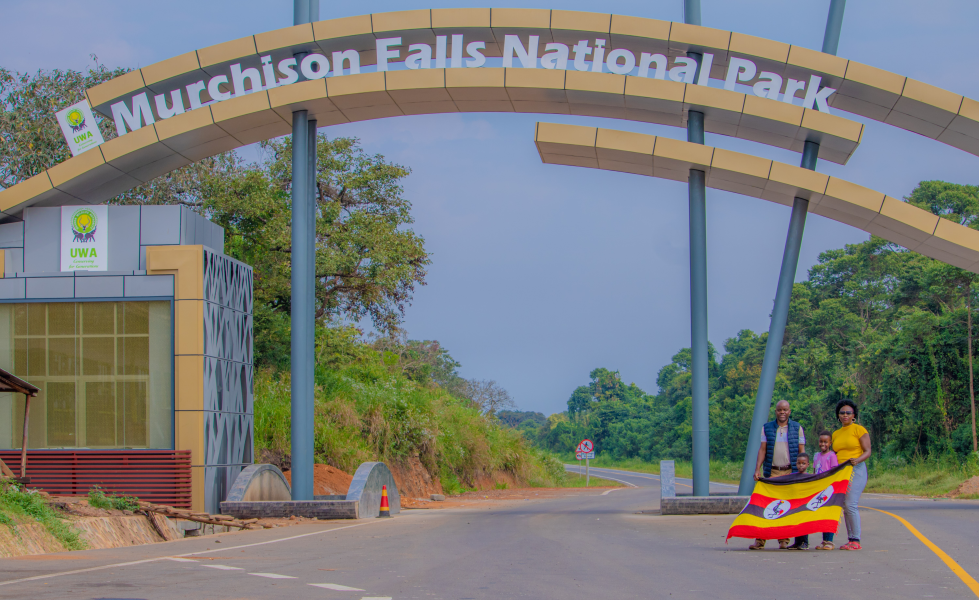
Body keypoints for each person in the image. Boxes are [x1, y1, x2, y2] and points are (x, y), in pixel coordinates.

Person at [748, 400, 806, 551]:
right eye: (779, 410)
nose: (782, 412)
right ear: (775, 411)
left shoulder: (797, 428)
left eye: (785, 410)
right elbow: (762, 449)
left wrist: (802, 471)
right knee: (766, 505)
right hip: (772, 472)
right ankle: (760, 541)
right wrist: (757, 469)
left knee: (785, 506)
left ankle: (784, 540)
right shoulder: (767, 428)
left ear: (789, 411)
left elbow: (801, 450)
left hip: (790, 472)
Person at [833, 399, 871, 551]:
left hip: (856, 469)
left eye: (848, 413)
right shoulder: (836, 434)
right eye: (842, 413)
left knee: (850, 504)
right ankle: (850, 540)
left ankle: (855, 540)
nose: (845, 415)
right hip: (841, 471)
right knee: (844, 506)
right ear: (838, 416)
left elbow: (868, 451)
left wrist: (856, 460)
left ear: (853, 415)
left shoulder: (859, 430)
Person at [812, 430, 840, 550]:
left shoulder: (832, 456)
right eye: (821, 441)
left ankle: (830, 541)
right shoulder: (816, 456)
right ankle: (824, 541)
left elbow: (834, 473)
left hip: (828, 490)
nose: (823, 444)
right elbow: (814, 472)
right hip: (819, 490)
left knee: (828, 515)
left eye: (825, 442)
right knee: (822, 516)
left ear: (830, 443)